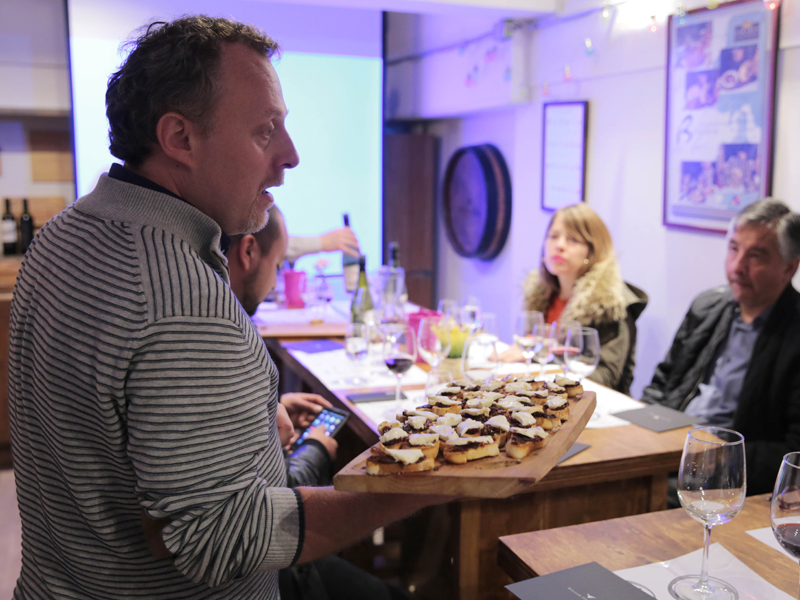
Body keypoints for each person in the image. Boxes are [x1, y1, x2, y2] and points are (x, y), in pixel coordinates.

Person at [8, 17, 442, 600]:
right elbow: (220, 538)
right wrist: (424, 484)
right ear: (180, 138)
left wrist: (251, 418)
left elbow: (110, 423)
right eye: (266, 131)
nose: (290, 155)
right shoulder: (181, 299)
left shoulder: (66, 232)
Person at [228, 206, 409, 600]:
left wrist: (272, 407)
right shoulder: (221, 336)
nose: (277, 280)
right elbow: (274, 501)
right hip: (270, 570)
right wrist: (315, 449)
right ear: (248, 252)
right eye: (279, 265)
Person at [642, 198, 800, 496]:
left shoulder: (793, 334)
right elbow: (662, 384)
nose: (737, 266)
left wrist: (718, 456)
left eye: (756, 255)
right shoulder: (707, 306)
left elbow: (794, 452)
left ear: (789, 267)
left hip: (729, 480)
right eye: (734, 249)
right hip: (666, 455)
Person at [502, 203, 647, 394]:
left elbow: (606, 377)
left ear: (592, 251)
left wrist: (537, 357)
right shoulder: (539, 295)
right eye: (553, 236)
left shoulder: (609, 304)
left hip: (594, 403)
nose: (559, 245)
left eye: (573, 240)